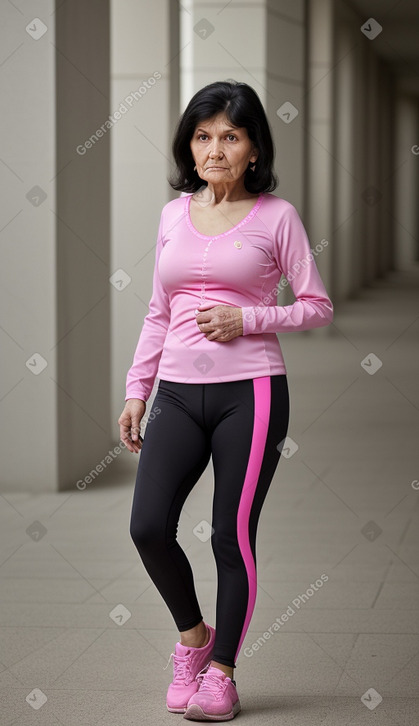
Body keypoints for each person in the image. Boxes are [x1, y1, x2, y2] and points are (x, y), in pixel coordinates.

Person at [118, 80, 333, 721]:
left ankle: (223, 673)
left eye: (230, 137)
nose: (215, 150)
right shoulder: (171, 215)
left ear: (254, 152)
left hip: (252, 392)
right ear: (190, 145)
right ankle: (193, 640)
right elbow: (159, 312)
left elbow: (317, 306)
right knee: (148, 526)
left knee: (229, 537)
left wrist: (251, 319)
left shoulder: (278, 217)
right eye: (204, 136)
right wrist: (137, 390)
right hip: (179, 395)